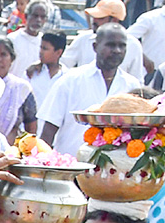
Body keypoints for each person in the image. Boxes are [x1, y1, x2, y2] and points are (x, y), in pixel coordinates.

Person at [39, 23, 140, 156]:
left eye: (122, 45)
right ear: (95, 47)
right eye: (110, 45)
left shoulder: (131, 86)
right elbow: (48, 130)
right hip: (71, 168)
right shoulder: (71, 81)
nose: (117, 50)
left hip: (114, 172)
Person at [60, 0, 146, 81]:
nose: (94, 21)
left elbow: (137, 80)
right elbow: (63, 64)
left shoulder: (133, 45)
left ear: (114, 20)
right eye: (94, 17)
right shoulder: (84, 39)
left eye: (100, 18)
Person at [0, 36, 37, 141]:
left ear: (12, 59)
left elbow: (31, 127)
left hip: (11, 152)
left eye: (3, 55)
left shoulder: (21, 88)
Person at [28, 30, 67, 105]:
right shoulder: (32, 73)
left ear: (58, 52)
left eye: (45, 49)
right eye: (41, 48)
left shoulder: (66, 77)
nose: (40, 52)